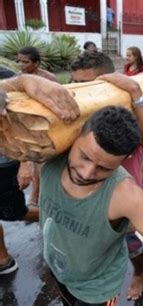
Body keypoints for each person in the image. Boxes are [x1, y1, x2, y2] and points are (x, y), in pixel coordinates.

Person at [37, 103, 143, 305]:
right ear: (75, 137)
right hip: (59, 271)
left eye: (103, 168)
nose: (86, 173)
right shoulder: (48, 152)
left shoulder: (127, 196)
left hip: (97, 290)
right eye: (84, 156)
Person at [70, 52, 143, 301]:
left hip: (123, 198)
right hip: (84, 199)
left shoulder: (126, 112)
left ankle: (139, 274)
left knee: (132, 246)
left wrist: (135, 94)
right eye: (75, 84)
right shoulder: (73, 112)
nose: (79, 92)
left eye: (87, 85)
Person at [0, 73, 76, 275]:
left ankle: (67, 218)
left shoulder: (5, 74)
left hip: (7, 161)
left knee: (17, 212)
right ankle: (3, 260)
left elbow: (24, 119)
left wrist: (24, 162)